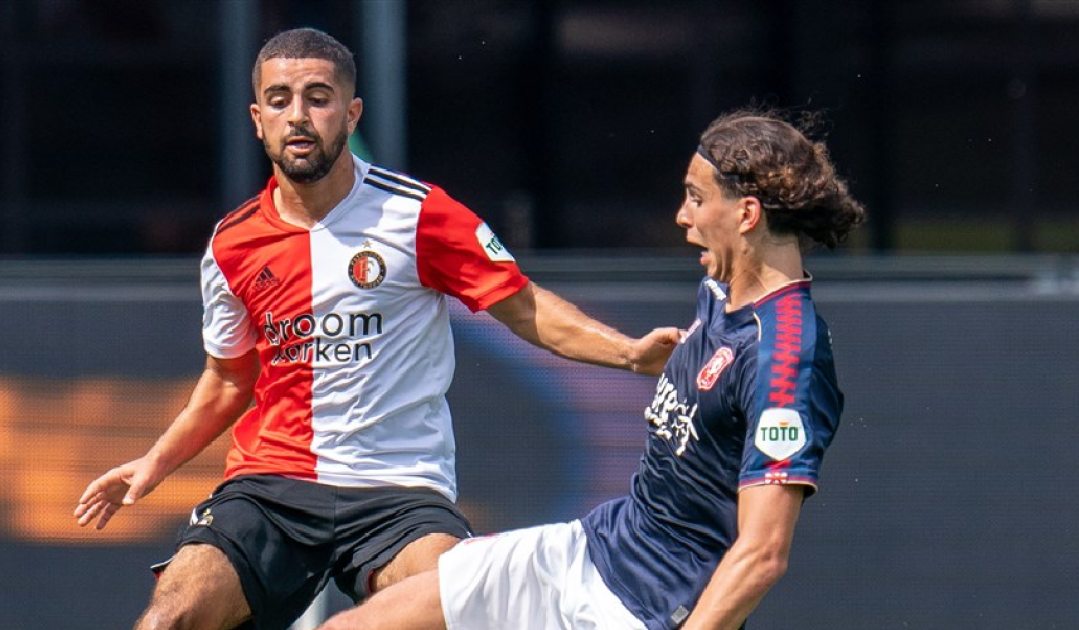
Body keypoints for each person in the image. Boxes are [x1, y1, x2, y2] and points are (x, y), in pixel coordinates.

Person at [72, 27, 679, 630]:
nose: (299, 116)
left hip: (400, 491)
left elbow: (525, 307)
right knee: (168, 620)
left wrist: (629, 353)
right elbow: (229, 379)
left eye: (318, 96)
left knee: (452, 612)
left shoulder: (420, 214)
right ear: (258, 120)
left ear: (351, 111)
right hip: (272, 487)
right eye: (280, 100)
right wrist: (154, 462)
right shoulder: (231, 244)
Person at [315, 108, 868, 630]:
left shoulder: (787, 356)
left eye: (696, 200)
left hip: (648, 606)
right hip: (593, 545)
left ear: (746, 215)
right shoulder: (723, 291)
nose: (682, 217)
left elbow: (763, 553)